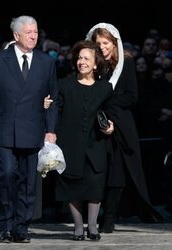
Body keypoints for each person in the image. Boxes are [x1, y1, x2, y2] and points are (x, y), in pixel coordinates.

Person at [0, 15, 58, 243]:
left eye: (36, 31)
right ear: (16, 35)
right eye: (29, 32)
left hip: (32, 131)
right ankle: (5, 224)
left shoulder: (46, 62)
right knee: (6, 174)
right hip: (4, 130)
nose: (33, 35)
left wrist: (51, 129)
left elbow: (53, 99)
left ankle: (22, 226)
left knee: (28, 182)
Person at [85, 22, 163, 233]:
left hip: (120, 126)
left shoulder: (126, 63)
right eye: (98, 43)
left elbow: (131, 97)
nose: (102, 47)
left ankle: (108, 218)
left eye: (106, 43)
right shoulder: (92, 63)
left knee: (117, 173)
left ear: (114, 43)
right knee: (97, 173)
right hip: (96, 124)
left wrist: (107, 101)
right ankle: (93, 216)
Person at [55, 40, 114, 241]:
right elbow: (56, 112)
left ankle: (93, 227)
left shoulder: (105, 88)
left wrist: (111, 126)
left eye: (86, 58)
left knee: (95, 184)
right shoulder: (63, 85)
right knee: (72, 185)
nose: (81, 62)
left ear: (96, 64)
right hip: (70, 144)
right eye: (79, 58)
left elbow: (111, 113)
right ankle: (78, 227)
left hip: (95, 144)